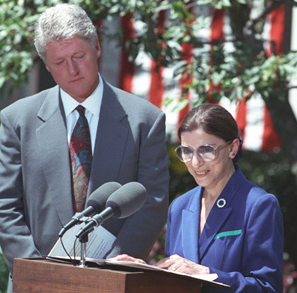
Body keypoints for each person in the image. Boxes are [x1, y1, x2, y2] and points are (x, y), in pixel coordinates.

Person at [0, 4, 169, 291]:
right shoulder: (17, 119)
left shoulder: (144, 120)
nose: (72, 70)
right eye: (59, 62)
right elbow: (4, 205)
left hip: (112, 280)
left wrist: (107, 272)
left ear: (96, 48)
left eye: (79, 56)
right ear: (46, 65)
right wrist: (39, 273)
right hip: (36, 283)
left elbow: (153, 202)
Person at [111, 104, 284, 292]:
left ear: (233, 148)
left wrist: (207, 273)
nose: (195, 162)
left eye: (206, 150)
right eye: (187, 151)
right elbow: (179, 279)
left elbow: (267, 288)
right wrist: (142, 270)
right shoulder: (179, 206)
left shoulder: (259, 205)